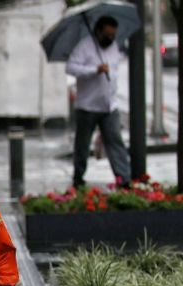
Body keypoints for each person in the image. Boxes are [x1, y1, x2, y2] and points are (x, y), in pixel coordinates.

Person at [66, 15, 131, 189]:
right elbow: (71, 67)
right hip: (87, 106)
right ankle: (78, 177)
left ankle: (123, 178)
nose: (110, 38)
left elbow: (116, 70)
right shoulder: (85, 46)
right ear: (99, 31)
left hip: (109, 105)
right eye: (107, 35)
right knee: (82, 145)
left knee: (115, 142)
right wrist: (94, 70)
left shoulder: (114, 48)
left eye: (113, 35)